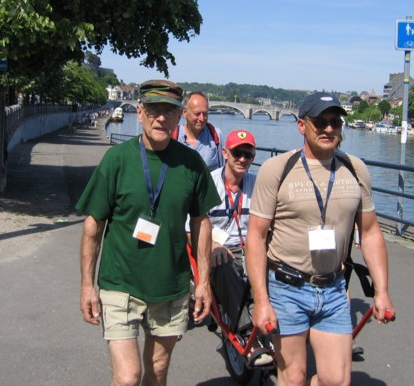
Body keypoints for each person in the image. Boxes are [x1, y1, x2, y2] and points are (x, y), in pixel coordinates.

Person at [77, 79, 222, 386]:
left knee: (156, 374)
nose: (161, 118)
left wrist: (204, 282)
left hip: (170, 287)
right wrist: (87, 286)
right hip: (120, 284)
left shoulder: (192, 163)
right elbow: (93, 226)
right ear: (139, 112)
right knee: (128, 377)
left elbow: (201, 223)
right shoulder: (117, 160)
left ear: (179, 116)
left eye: (169, 112)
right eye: (154, 110)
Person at [245, 91, 395, 386]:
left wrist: (381, 291)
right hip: (287, 286)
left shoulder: (355, 169)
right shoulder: (278, 169)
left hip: (334, 288)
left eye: (335, 122)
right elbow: (256, 236)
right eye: (320, 122)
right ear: (301, 125)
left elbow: (370, 232)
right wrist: (261, 300)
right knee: (294, 376)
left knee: (335, 380)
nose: (328, 129)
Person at [206, 129, 272, 366]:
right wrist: (212, 244)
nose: (243, 159)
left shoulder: (259, 184)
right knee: (223, 264)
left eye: (248, 154)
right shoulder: (209, 183)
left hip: (251, 248)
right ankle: (245, 331)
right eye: (237, 153)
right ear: (225, 153)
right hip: (220, 248)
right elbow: (192, 227)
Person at [174, 91, 224, 171]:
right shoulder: (173, 136)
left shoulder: (216, 135)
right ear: (184, 112)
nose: (201, 118)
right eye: (197, 114)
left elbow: (222, 170)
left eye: (205, 114)